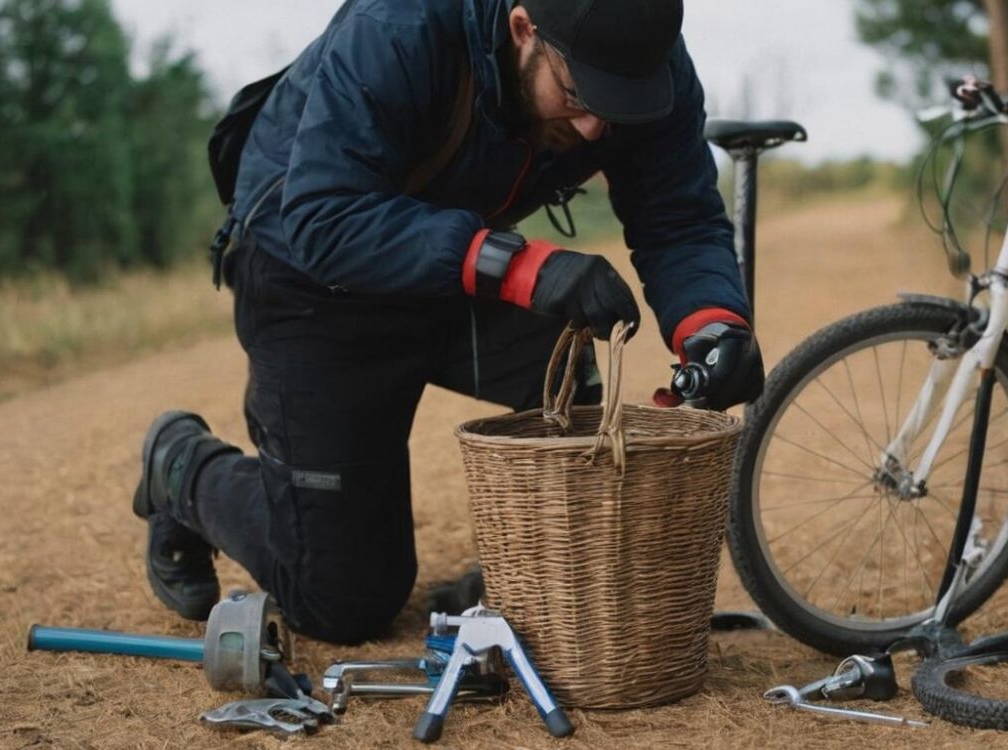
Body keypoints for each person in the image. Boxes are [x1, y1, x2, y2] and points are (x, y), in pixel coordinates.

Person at [132, 0, 764, 644]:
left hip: (447, 264)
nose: (597, 126)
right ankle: (181, 466)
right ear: (524, 29)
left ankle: (522, 582)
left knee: (566, 368)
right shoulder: (398, 29)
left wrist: (712, 324)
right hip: (311, 272)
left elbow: (679, 215)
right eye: (578, 94)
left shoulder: (640, 62)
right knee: (344, 600)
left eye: (620, 103)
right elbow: (324, 216)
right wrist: (520, 268)